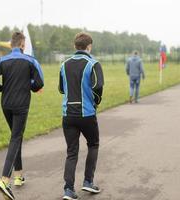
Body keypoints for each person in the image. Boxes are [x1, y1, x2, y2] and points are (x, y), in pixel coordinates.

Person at [0, 32, 44, 200]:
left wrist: (0, 89)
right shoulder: (30, 60)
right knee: (16, 138)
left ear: (11, 45)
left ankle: (18, 175)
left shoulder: (2, 60)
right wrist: (29, 86)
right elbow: (39, 83)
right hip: (21, 106)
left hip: (6, 105)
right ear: (22, 45)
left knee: (16, 136)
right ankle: (4, 180)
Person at [58, 32, 104, 200]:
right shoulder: (93, 64)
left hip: (68, 115)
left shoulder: (64, 65)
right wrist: (96, 102)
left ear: (75, 46)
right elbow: (98, 88)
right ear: (89, 47)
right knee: (93, 144)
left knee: (71, 152)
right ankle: (88, 181)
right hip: (87, 114)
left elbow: (62, 89)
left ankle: (68, 189)